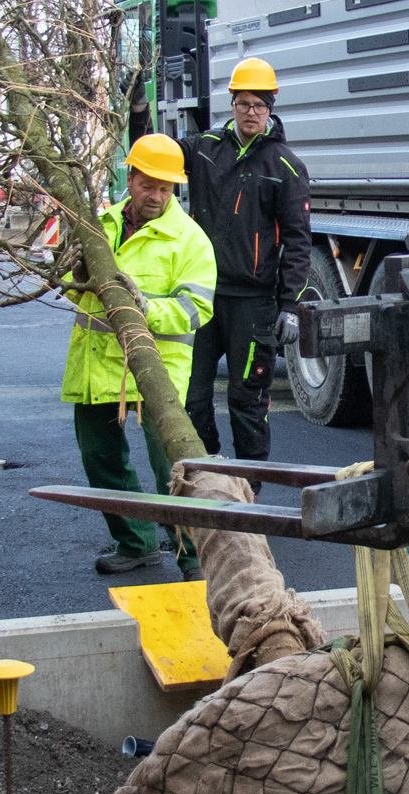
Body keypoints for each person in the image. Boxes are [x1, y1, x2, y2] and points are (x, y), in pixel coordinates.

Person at [63, 134, 216, 577]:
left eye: (166, 188)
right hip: (97, 365)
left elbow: (196, 310)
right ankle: (136, 542)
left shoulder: (190, 240)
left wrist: (145, 308)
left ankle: (194, 558)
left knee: (171, 470)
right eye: (148, 185)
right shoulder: (102, 226)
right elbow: (78, 297)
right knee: (101, 460)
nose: (156, 196)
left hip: (156, 370)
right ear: (129, 179)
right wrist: (76, 277)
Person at [180, 57, 310, 462]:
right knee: (191, 398)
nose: (251, 113)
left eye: (259, 105)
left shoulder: (285, 166)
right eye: (243, 104)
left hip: (253, 304)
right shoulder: (204, 149)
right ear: (232, 104)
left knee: (247, 401)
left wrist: (290, 306)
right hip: (202, 297)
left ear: (270, 108)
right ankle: (209, 474)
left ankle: (250, 486)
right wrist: (137, 112)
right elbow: (157, 155)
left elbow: (298, 241)